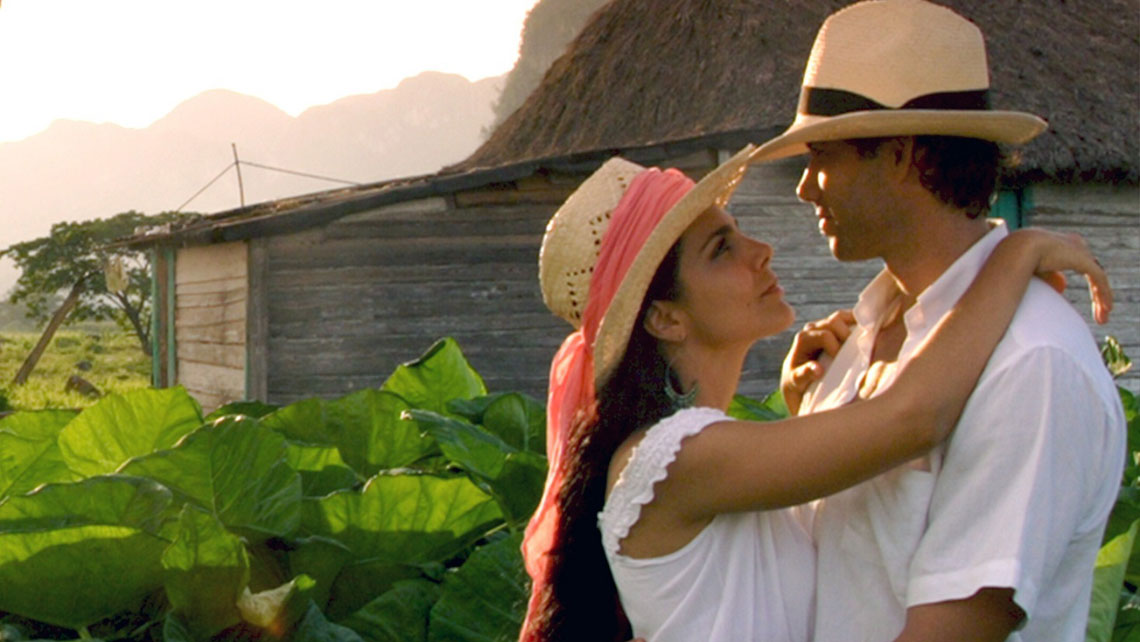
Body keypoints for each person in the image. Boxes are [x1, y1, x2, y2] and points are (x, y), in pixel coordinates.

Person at [515, 142, 1112, 641]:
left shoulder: (705, 458)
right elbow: (913, 417)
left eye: (738, 231)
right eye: (721, 250)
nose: (760, 252)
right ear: (666, 318)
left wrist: (807, 409)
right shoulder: (670, 461)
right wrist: (1013, 254)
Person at [748, 1, 1128, 640]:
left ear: (900, 157)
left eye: (822, 156)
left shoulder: (1030, 362)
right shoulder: (856, 338)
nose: (805, 187)